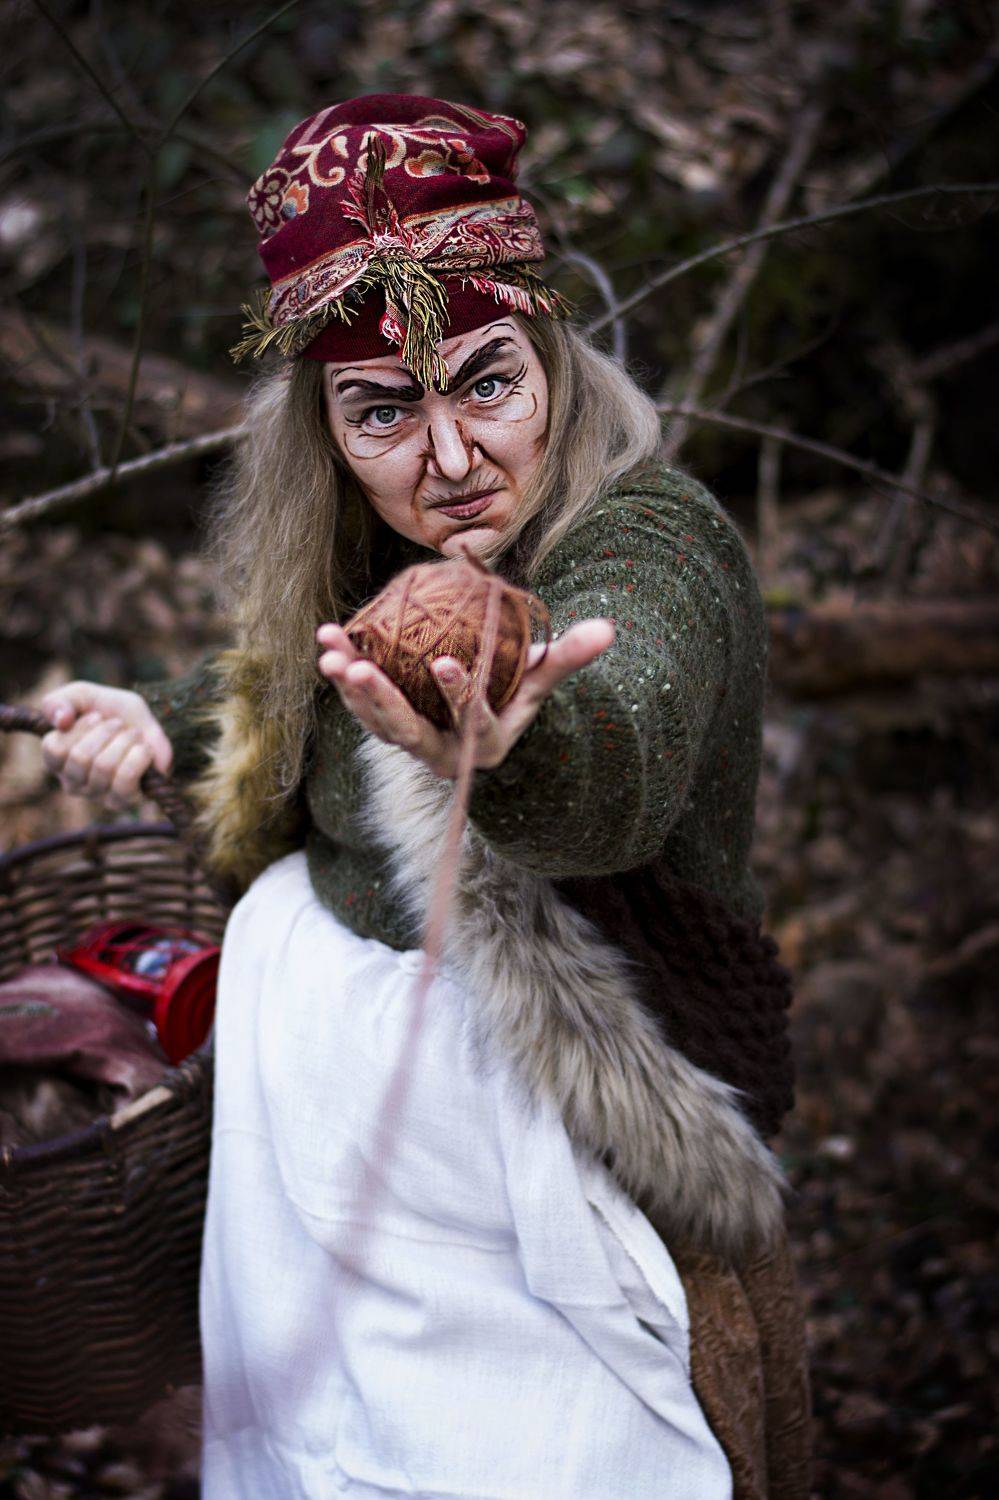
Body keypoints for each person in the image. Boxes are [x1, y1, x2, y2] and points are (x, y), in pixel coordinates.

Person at [40, 95, 810, 1499]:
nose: (448, 460)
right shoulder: (370, 549)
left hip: (562, 1182)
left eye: (487, 383)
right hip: (328, 1202)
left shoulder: (653, 544)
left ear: (551, 356)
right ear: (325, 431)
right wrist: (160, 711)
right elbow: (299, 687)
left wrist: (517, 750)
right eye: (385, 410)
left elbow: (617, 749)